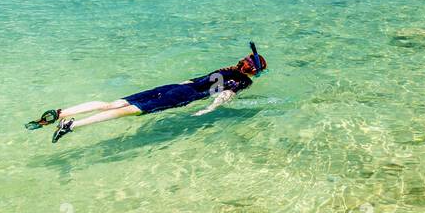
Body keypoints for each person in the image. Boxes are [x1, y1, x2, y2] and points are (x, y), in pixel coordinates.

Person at [26, 44, 267, 142]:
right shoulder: (242, 82)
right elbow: (225, 96)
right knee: (125, 113)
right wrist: (208, 110)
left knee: (110, 104)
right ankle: (72, 126)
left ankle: (61, 113)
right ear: (254, 72)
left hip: (174, 87)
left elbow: (191, 80)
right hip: (182, 97)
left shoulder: (225, 69)